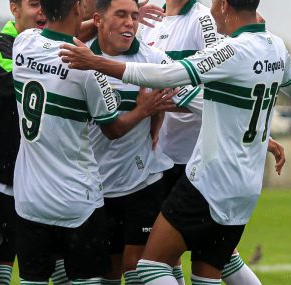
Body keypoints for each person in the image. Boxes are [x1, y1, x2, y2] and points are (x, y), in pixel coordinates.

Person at [59, 0, 291, 283]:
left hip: (209, 179)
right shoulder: (276, 46)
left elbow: (168, 76)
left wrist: (96, 62)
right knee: (210, 272)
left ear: (224, 6)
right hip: (246, 185)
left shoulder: (230, 49)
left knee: (150, 266)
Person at [12, 0, 174, 283]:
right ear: (77, 7)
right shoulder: (88, 71)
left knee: (32, 279)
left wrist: (107, 23)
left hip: (29, 199)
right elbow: (113, 129)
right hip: (78, 200)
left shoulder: (23, 43)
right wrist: (144, 110)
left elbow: (62, 35)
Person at [139, 1, 276, 284]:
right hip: (159, 154)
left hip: (194, 160)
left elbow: (219, 84)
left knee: (159, 260)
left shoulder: (205, 19)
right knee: (209, 258)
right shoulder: (149, 18)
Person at [84, 0, 198, 284]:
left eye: (134, 16)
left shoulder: (155, 59)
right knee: (107, 272)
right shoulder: (81, 60)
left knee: (138, 267)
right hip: (95, 185)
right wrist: (146, 111)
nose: (129, 23)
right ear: (98, 19)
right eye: (120, 14)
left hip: (142, 182)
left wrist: (163, 105)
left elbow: (195, 98)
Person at [0, 1, 73, 284]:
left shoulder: (59, 47)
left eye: (47, 4)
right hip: (3, 179)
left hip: (47, 179)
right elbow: (19, 83)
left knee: (60, 269)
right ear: (14, 8)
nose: (42, 11)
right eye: (34, 4)